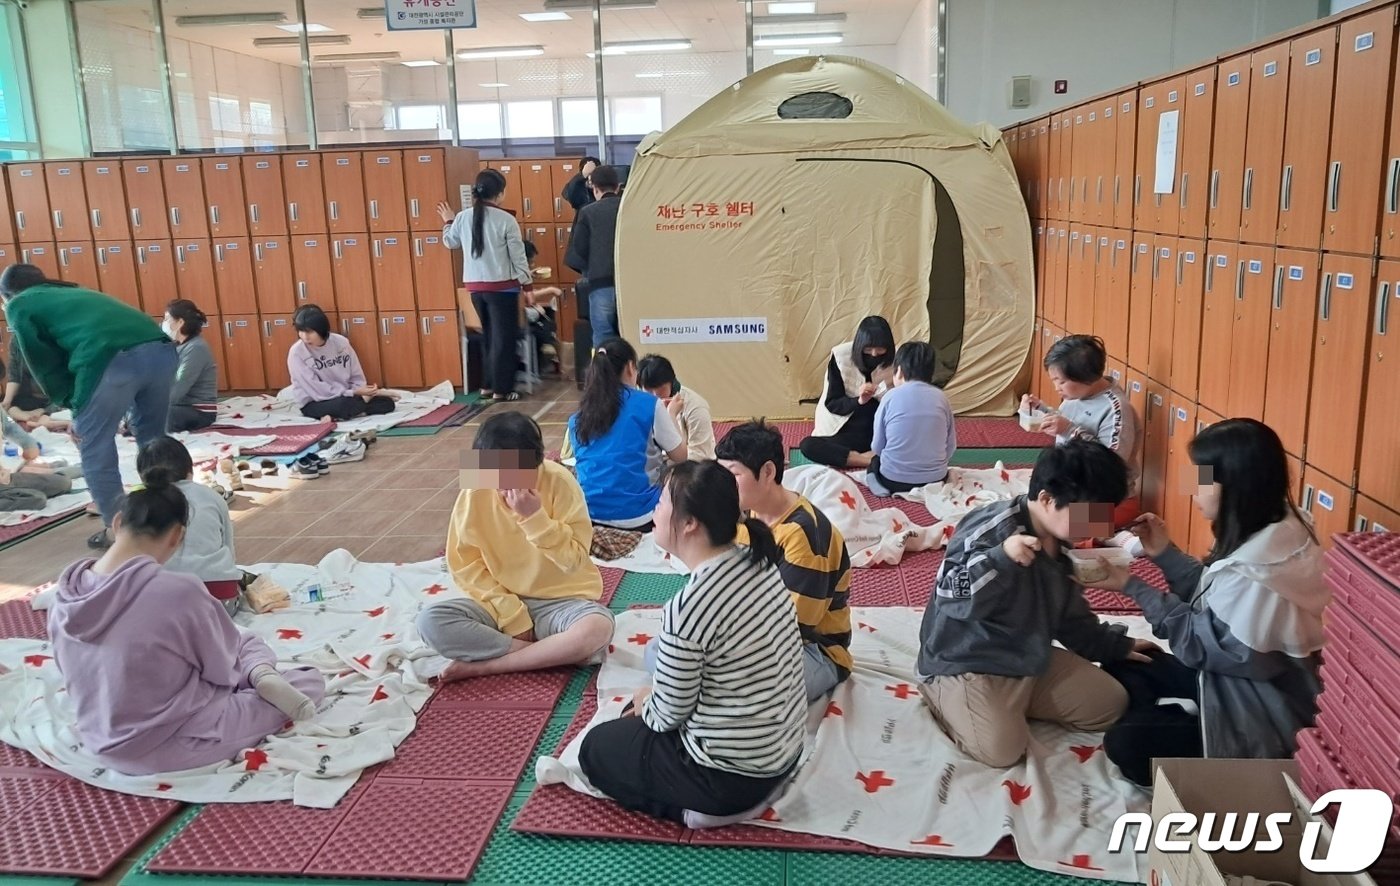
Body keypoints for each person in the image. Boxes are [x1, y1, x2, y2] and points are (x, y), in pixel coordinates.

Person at [1086, 419, 1327, 787]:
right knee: (1128, 661)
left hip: (1257, 711)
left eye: (1201, 479)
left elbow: (1201, 644)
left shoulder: (1262, 575)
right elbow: (1212, 592)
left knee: (1127, 743)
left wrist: (1133, 587)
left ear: (1235, 486)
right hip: (1226, 679)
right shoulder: (1275, 530)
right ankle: (1168, 715)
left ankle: (1178, 727)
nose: (1192, 490)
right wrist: (1164, 554)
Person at [578, 460, 806, 827]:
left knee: (596, 750)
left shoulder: (689, 606)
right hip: (784, 752)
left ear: (689, 523)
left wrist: (645, 701)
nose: (655, 509)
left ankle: (699, 812)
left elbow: (667, 715)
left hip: (730, 778)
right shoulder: (759, 563)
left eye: (663, 502)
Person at [46, 479, 324, 776]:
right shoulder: (177, 591)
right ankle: (261, 672)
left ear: (116, 524)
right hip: (173, 742)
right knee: (303, 677)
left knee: (233, 641)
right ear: (178, 536)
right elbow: (222, 671)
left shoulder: (64, 595)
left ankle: (258, 672)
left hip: (100, 737)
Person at [915, 439, 1159, 768]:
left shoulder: (1060, 543)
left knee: (1111, 705)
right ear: (1046, 499)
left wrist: (1112, 645)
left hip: (1028, 657)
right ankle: (944, 696)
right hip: (967, 663)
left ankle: (1010, 706)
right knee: (1002, 752)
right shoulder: (988, 530)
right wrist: (1001, 559)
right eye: (1089, 516)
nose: (1099, 528)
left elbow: (1069, 616)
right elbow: (950, 597)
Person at [417, 413, 614, 682]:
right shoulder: (476, 484)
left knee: (597, 628)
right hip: (500, 604)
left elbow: (575, 561)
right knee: (430, 622)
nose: (502, 486)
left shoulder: (560, 482)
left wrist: (535, 519)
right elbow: (465, 564)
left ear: (537, 464)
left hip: (561, 603)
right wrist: (512, 615)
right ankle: (546, 654)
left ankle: (487, 666)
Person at [1, 264, 176, 549]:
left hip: (110, 360)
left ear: (6, 296)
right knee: (154, 440)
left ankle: (118, 531)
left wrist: (74, 406)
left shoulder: (19, 304)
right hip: (161, 350)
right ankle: (169, 512)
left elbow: (43, 364)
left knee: (93, 445)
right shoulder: (72, 291)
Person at [715, 420, 851, 703]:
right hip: (753, 630)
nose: (723, 485)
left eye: (733, 474)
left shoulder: (805, 536)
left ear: (767, 472)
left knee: (744, 688)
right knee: (664, 650)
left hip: (812, 649)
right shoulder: (748, 515)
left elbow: (791, 629)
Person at [1022, 334, 1140, 528]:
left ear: (1084, 378)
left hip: (1106, 503)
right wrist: (1041, 410)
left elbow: (1112, 464)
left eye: (1060, 381)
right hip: (1071, 494)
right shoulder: (1075, 394)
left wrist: (1069, 430)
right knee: (1024, 517)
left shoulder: (1116, 408)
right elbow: (1070, 421)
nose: (1056, 387)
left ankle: (1118, 537)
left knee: (1050, 532)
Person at [567, 338, 686, 529]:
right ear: (631, 368)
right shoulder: (648, 404)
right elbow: (681, 456)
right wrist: (672, 414)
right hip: (640, 513)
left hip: (589, 513)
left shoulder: (577, 417)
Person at [438, 170, 533, 403]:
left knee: (489, 336)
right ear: (499, 194)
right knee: (504, 340)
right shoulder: (506, 220)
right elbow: (518, 257)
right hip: (503, 288)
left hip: (475, 289)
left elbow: (450, 242)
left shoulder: (462, 217)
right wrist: (528, 286)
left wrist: (448, 221)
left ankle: (487, 386)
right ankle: (502, 389)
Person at [136, 436, 242, 605]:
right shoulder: (211, 496)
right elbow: (228, 547)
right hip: (219, 593)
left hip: (166, 598)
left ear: (143, 477)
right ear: (190, 468)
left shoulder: (141, 503)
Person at [799, 316, 896, 469]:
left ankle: (855, 457)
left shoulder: (896, 361)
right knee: (808, 445)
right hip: (847, 428)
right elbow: (833, 403)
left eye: (880, 349)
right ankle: (868, 460)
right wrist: (859, 400)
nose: (875, 354)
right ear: (859, 345)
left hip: (879, 431)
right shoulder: (841, 357)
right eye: (868, 349)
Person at [868, 341, 956, 495]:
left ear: (899, 371)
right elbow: (951, 446)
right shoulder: (941, 398)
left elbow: (877, 446)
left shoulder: (889, 397)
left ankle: (879, 487)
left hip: (893, 480)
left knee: (874, 462)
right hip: (936, 479)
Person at [287, 304, 395, 421]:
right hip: (316, 401)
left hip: (347, 395)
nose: (305, 337)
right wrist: (354, 393)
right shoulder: (297, 352)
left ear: (321, 329)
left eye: (310, 332)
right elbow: (316, 389)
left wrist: (358, 389)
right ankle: (357, 407)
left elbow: (356, 373)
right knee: (342, 405)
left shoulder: (341, 342)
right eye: (301, 331)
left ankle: (347, 412)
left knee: (387, 403)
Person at [565, 165, 623, 348]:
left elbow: (578, 250)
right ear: (618, 187)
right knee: (631, 336)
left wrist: (589, 269)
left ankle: (605, 376)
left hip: (600, 284)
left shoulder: (588, 212)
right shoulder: (629, 210)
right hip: (631, 286)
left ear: (595, 189)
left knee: (603, 337)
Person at [637, 354, 715, 463]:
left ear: (672, 383)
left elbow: (701, 455)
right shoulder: (635, 404)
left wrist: (671, 415)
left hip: (689, 471)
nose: (655, 395)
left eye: (661, 388)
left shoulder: (695, 406)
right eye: (649, 390)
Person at [162, 299, 219, 433]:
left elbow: (179, 387)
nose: (163, 324)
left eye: (167, 319)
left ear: (180, 322)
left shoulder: (196, 348)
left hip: (198, 410)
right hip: (179, 405)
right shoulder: (175, 346)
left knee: (164, 415)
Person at [1, 410, 72, 511]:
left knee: (63, 483)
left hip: (6, 477)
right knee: (37, 499)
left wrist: (29, 445)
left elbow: (9, 425)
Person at [522, 240, 561, 372]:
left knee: (543, 316)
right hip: (517, 322)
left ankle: (547, 353)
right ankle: (547, 352)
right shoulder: (517, 273)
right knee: (547, 321)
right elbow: (529, 298)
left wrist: (529, 275)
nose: (532, 265)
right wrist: (550, 290)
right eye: (530, 262)